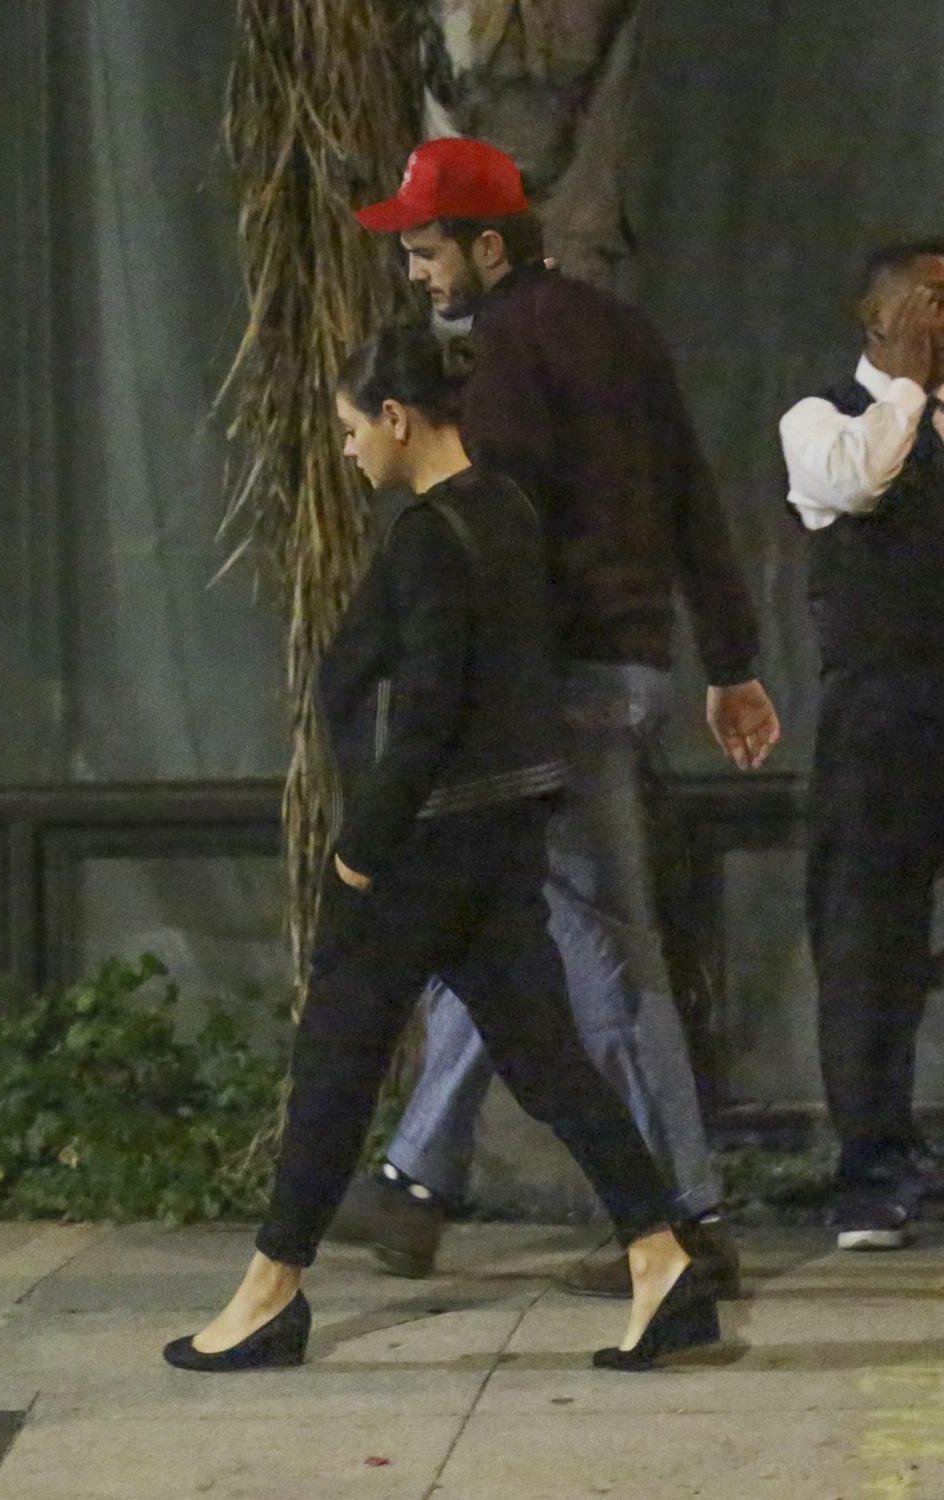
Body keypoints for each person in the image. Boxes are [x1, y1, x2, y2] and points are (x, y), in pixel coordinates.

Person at [163, 326, 721, 1374]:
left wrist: (361, 850)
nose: (345, 450)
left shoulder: (431, 536)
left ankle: (270, 1292)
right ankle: (661, 1257)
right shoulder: (505, 510)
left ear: (396, 417)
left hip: (421, 842)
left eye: (349, 429)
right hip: (500, 834)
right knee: (546, 1058)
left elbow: (425, 707)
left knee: (336, 1055)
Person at [338, 137, 780, 1296]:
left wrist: (471, 682)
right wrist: (731, 660)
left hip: (559, 683)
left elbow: (499, 533)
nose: (416, 274)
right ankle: (414, 1180)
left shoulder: (498, 356)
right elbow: (689, 493)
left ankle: (683, 1217)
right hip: (628, 667)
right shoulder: (620, 332)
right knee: (502, 917)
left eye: (427, 251)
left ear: (488, 246)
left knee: (599, 943)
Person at [780, 241, 944, 1251]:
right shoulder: (822, 420)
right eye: (929, 299)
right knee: (868, 943)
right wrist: (911, 390)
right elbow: (859, 483)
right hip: (881, 718)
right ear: (874, 315)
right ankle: (871, 1169)